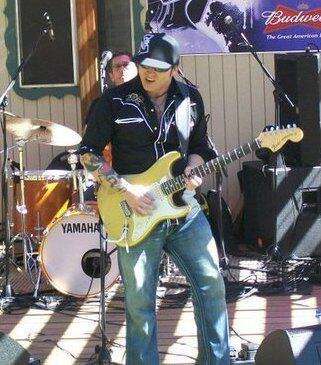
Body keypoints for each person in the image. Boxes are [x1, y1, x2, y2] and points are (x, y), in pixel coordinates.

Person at [80, 33, 230, 364]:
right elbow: (88, 154)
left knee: (211, 285)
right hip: (135, 212)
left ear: (175, 69)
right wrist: (125, 189)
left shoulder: (191, 98)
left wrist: (194, 167)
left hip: (184, 211)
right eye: (143, 65)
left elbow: (203, 147)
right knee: (139, 304)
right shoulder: (114, 101)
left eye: (158, 68)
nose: (148, 73)